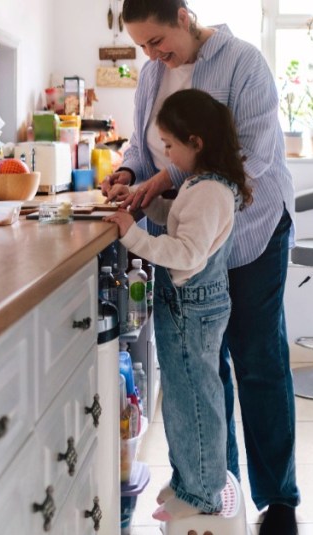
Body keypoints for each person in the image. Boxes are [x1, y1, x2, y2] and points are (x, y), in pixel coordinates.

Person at [101, 1, 299, 532]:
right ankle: (218, 486)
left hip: (251, 234)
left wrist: (167, 180)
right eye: (143, 46)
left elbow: (252, 156)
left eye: (157, 42)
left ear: (184, 17)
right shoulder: (151, 75)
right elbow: (147, 149)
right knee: (202, 372)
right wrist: (127, 172)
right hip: (190, 245)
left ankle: (278, 500)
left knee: (257, 362)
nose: (152, 55)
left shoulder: (242, 63)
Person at [103, 88, 251, 522]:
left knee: (193, 401)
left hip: (192, 308)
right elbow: (183, 219)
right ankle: (189, 479)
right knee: (182, 398)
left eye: (170, 146)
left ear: (196, 143)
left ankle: (202, 492)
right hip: (189, 305)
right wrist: (150, 204)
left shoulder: (208, 192)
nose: (165, 156)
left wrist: (133, 234)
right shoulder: (202, 185)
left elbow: (187, 253)